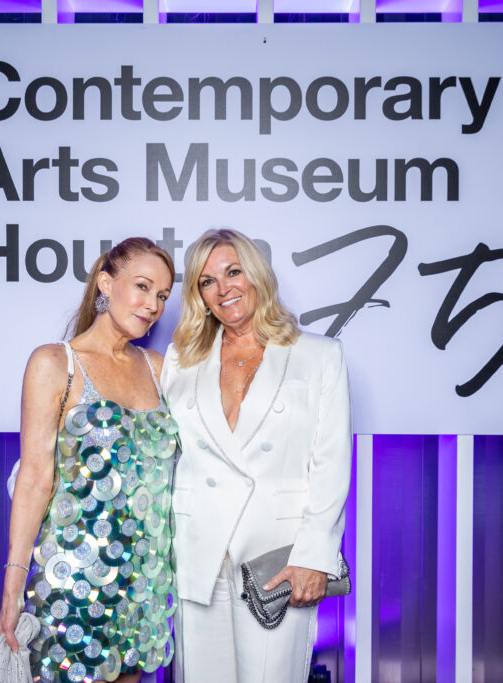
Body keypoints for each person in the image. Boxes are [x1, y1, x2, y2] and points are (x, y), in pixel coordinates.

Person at [161, 228, 352, 682]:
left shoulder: (319, 355)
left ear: (257, 275)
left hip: (278, 558)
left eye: (233, 272)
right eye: (207, 281)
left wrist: (315, 557)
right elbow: (162, 453)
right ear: (199, 295)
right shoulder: (181, 359)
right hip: (197, 554)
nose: (223, 288)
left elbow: (330, 463)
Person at [0, 237, 179, 683]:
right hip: (71, 586)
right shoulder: (56, 363)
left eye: (162, 295)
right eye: (142, 286)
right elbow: (34, 479)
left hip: (142, 583)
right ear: (106, 283)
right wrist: (12, 589)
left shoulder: (159, 367)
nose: (153, 305)